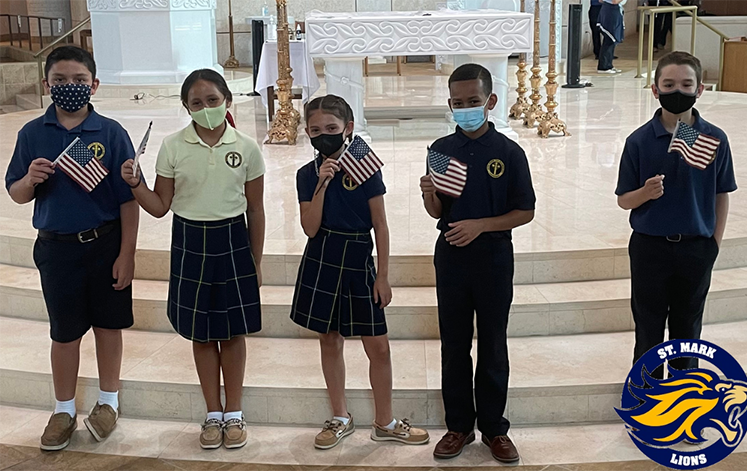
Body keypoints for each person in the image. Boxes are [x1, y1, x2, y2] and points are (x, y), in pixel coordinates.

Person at [121, 69, 265, 450]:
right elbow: (159, 206)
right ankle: (213, 412)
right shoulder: (173, 146)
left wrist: (257, 260)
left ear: (228, 101)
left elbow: (256, 209)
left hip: (233, 240)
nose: (205, 108)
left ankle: (234, 411)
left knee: (233, 330)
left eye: (213, 101)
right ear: (186, 106)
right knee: (200, 331)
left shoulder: (247, 147)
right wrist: (135, 184)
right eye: (197, 103)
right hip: (190, 241)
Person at [4, 46, 139, 451]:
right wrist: (29, 180)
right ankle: (63, 409)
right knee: (64, 332)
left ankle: (109, 401)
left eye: (79, 80)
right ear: (47, 85)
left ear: (94, 85)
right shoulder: (32, 133)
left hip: (104, 244)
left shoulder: (111, 133)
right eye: (60, 80)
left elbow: (127, 200)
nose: (70, 87)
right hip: (57, 249)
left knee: (108, 325)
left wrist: (127, 254)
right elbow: (16, 194)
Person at [290, 94, 429, 450]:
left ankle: (385, 420)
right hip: (322, 257)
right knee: (330, 339)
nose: (324, 135)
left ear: (348, 129)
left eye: (332, 129)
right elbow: (309, 227)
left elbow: (380, 225)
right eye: (316, 130)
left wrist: (383, 275)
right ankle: (340, 416)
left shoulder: (364, 165)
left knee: (378, 346)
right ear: (307, 132)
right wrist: (321, 183)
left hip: (358, 257)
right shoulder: (306, 175)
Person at [421, 64, 536, 463]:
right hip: (451, 255)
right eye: (457, 103)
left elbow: (526, 210)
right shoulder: (440, 150)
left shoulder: (508, 152)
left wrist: (482, 226)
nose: (465, 108)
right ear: (449, 104)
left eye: (473, 101)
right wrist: (428, 195)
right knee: (454, 345)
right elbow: (437, 208)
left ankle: (494, 428)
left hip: (493, 256)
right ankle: (458, 426)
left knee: (492, 342)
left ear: (490, 101)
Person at [615, 52, 736, 379]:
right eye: (669, 84)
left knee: (687, 331)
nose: (677, 90)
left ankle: (684, 400)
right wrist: (645, 193)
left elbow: (721, 193)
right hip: (649, 248)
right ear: (655, 89)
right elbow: (624, 201)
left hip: (696, 248)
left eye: (686, 84)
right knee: (649, 328)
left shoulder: (714, 139)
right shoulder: (639, 141)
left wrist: (714, 242)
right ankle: (647, 401)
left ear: (700, 90)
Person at [597, 0, 624, 74]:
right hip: (610, 12)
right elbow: (614, 1)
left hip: (614, 10)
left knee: (612, 41)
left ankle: (609, 65)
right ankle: (603, 67)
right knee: (609, 40)